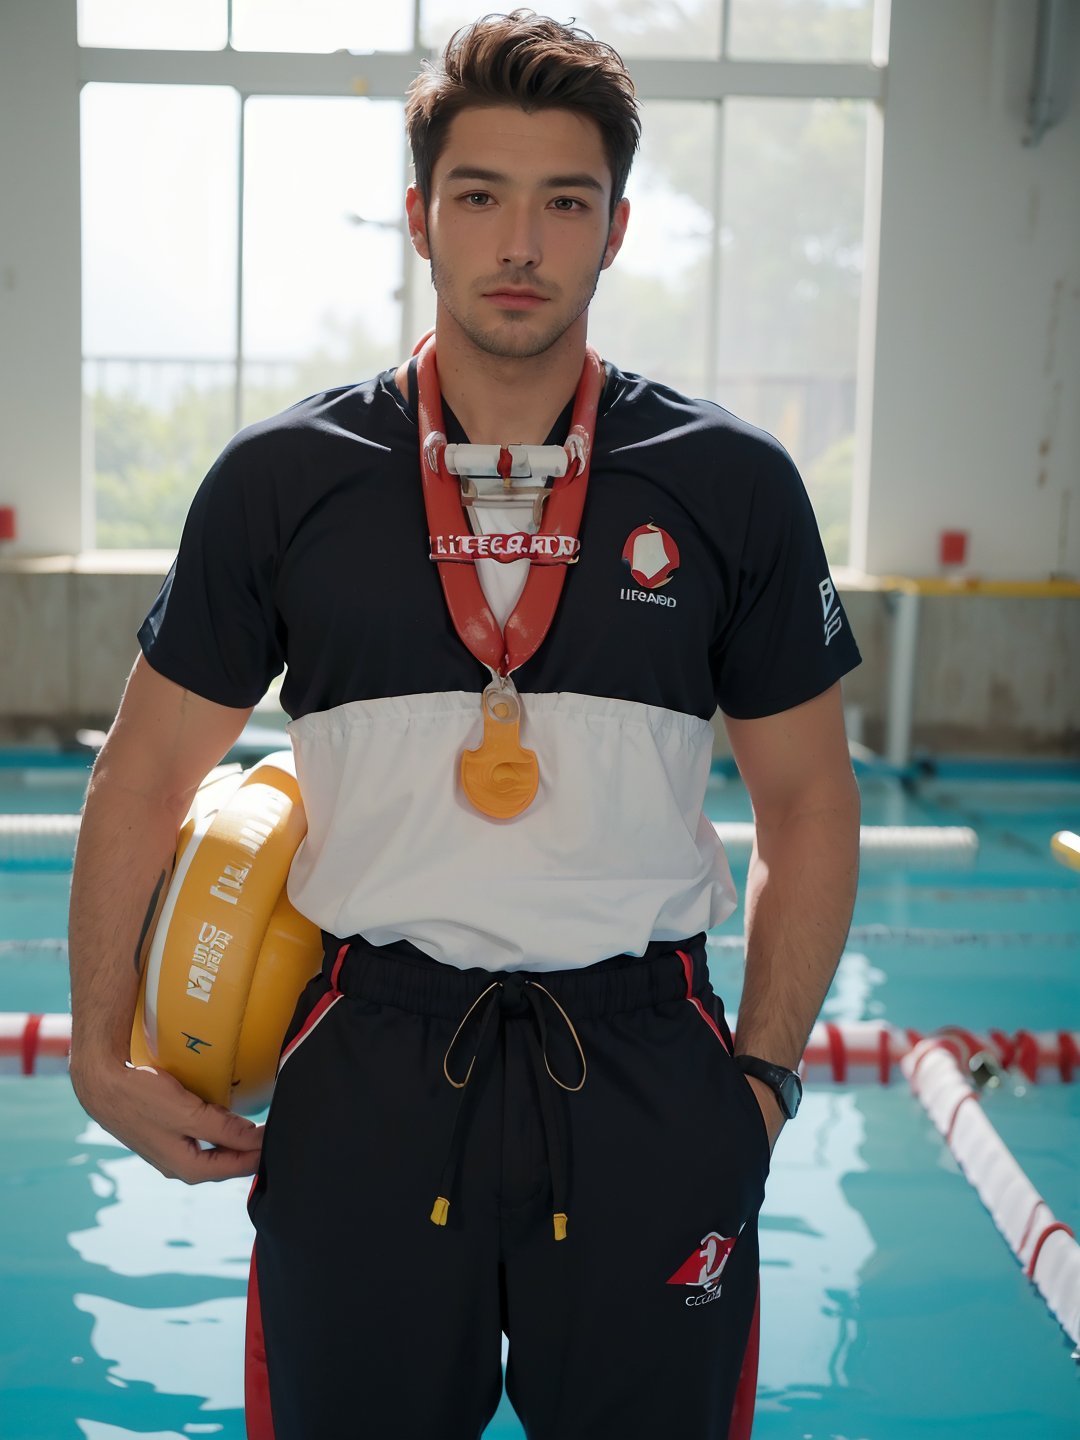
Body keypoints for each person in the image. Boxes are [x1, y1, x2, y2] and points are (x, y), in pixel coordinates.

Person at [68, 10, 862, 1438]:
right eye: (481, 196)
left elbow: (808, 800)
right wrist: (97, 1050)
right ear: (421, 216)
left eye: (566, 202)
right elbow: (140, 779)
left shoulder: (730, 485)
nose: (521, 242)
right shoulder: (282, 482)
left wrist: (757, 1082)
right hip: (370, 1061)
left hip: (647, 1067)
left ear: (615, 230)